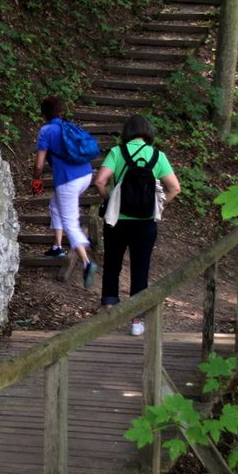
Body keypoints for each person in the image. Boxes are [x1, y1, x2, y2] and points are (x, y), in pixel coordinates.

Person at [93, 114, 181, 336]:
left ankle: (109, 309)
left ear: (127, 132)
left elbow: (100, 181)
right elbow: (175, 188)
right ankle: (136, 320)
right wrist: (158, 205)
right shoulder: (158, 156)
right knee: (141, 269)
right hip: (145, 224)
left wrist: (109, 199)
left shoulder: (117, 152)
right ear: (148, 131)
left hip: (117, 221)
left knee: (112, 263)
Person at [33, 96, 98, 289]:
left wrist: (36, 177)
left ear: (43, 113)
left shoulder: (46, 131)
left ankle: (87, 262)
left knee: (71, 223)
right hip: (86, 175)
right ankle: (57, 247)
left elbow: (39, 164)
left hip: (68, 181)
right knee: (55, 205)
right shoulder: (68, 127)